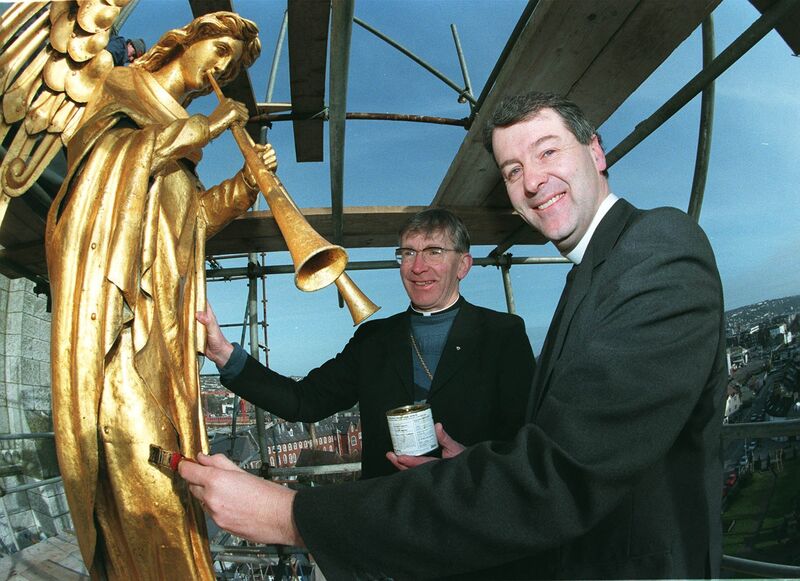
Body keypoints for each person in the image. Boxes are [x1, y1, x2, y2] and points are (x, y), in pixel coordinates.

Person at [181, 91, 726, 579]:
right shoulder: (591, 275)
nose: (532, 179)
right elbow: (303, 401)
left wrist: (288, 513)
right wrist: (226, 353)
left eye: (548, 152)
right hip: (405, 550)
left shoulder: (650, 248)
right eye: (512, 171)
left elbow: (553, 471)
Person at [46, 12, 268, 581]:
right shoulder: (115, 86)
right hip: (116, 315)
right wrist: (207, 129)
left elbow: (184, 220)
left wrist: (243, 188)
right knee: (140, 463)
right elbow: (104, 171)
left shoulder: (176, 130)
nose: (222, 67)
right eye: (219, 50)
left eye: (233, 64)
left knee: (173, 462)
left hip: (164, 322)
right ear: (187, 40)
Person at [200, 207, 536, 479]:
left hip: (472, 516)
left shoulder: (502, 333)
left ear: (463, 264)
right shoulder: (373, 340)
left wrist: (470, 467)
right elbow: (303, 401)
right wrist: (224, 354)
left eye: (434, 252)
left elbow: (527, 441)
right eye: (407, 253)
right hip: (389, 524)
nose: (418, 267)